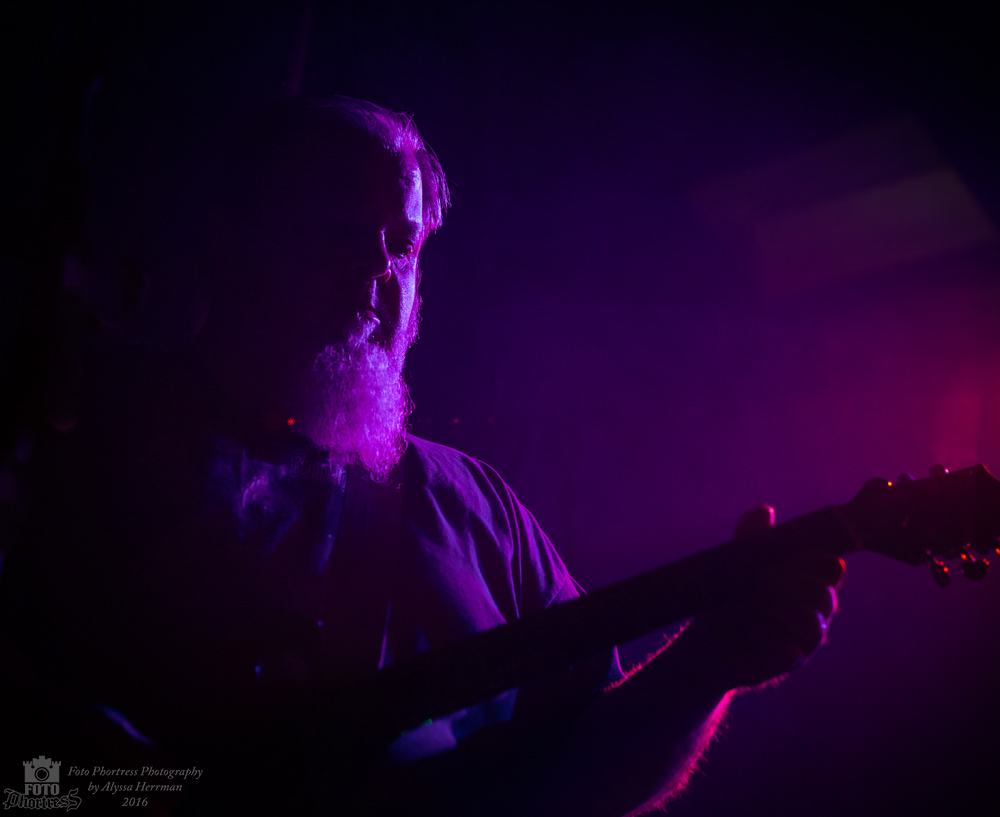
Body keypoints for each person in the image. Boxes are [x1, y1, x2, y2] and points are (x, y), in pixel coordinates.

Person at [0, 97, 845, 816]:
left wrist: (710, 667)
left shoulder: (476, 508)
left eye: (401, 244)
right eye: (335, 233)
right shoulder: (77, 433)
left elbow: (586, 771)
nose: (375, 272)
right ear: (229, 242)